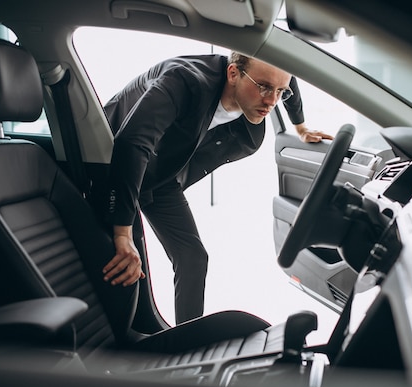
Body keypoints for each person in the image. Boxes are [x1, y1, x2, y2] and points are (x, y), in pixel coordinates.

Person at [101, 52, 333, 324]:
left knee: (193, 258)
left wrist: (301, 127)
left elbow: (285, 82)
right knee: (126, 262)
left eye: (281, 92)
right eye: (263, 87)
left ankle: (187, 342)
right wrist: (122, 233)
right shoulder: (184, 80)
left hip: (161, 175)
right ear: (233, 73)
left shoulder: (257, 102)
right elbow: (132, 142)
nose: (271, 101)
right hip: (111, 166)